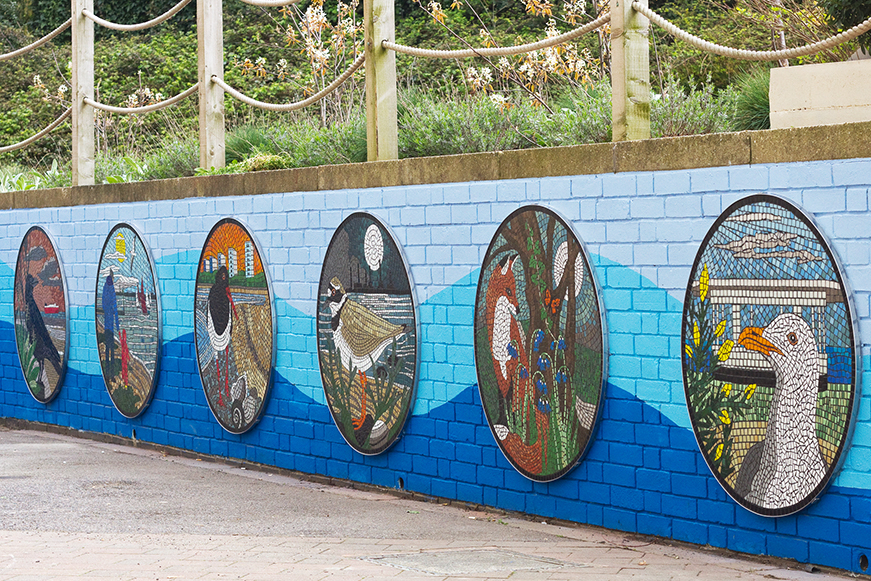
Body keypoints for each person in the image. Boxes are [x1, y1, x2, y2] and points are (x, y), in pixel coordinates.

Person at [103, 270, 120, 371]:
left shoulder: (105, 288)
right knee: (111, 349)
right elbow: (114, 305)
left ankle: (108, 369)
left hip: (106, 324)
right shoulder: (111, 288)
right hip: (110, 325)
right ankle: (111, 371)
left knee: (107, 347)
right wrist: (117, 325)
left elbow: (104, 303)